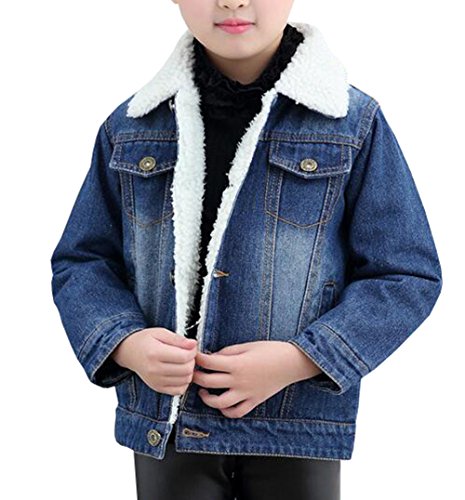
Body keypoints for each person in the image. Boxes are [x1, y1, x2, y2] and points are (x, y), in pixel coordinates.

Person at [50, 1, 442, 499]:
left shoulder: (351, 124)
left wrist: (301, 359)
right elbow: (82, 261)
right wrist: (127, 344)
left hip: (296, 425)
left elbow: (406, 272)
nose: (233, 1)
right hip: (167, 423)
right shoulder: (131, 127)